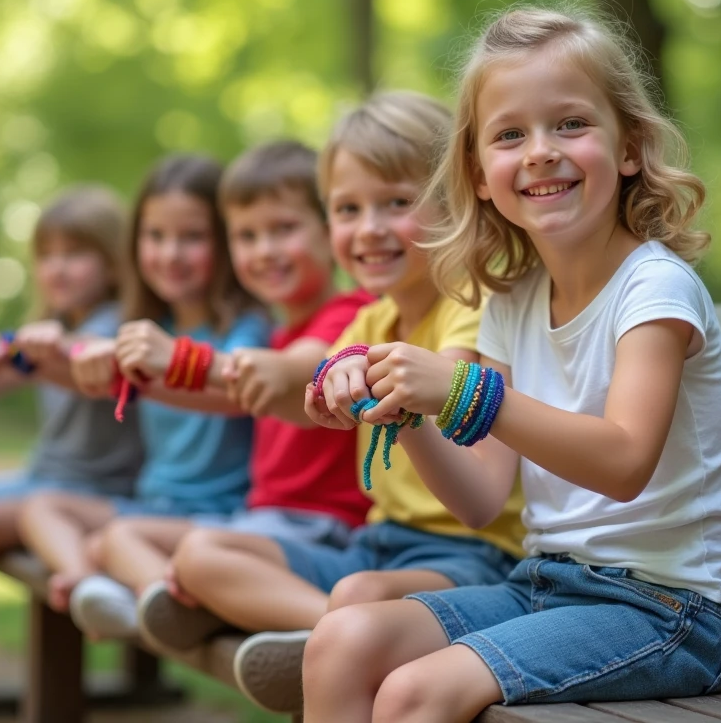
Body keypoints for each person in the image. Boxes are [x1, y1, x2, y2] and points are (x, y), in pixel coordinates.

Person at [299, 3, 721, 722]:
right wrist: (407, 406)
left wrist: (461, 389)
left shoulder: (654, 289)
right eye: (510, 135)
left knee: (417, 691)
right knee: (341, 640)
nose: (541, 150)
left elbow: (624, 461)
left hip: (674, 609)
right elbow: (482, 500)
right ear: (480, 174)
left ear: (629, 146)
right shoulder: (512, 301)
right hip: (545, 584)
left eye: (570, 124)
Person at [172, 92, 525, 713]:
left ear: (452, 202)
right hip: (378, 542)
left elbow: (458, 422)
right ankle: (318, 637)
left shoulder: (472, 309)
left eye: (397, 203)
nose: (369, 228)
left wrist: (381, 389)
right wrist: (310, 390)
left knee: (359, 595)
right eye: (347, 209)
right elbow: (306, 400)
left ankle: (325, 642)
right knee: (201, 553)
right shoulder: (371, 317)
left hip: (474, 557)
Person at [61, 140, 373, 644]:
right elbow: (229, 395)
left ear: (329, 229)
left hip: (323, 528)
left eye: (284, 229)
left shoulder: (351, 314)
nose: (265, 250)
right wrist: (125, 374)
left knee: (194, 553)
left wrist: (177, 359)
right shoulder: (277, 330)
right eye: (247, 236)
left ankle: (342, 632)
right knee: (116, 540)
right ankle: (177, 603)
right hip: (268, 522)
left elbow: (287, 373)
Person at [17, 154, 270, 613]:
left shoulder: (245, 326)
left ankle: (165, 606)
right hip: (151, 507)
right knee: (41, 509)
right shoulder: (148, 324)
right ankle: (91, 587)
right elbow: (86, 370)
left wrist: (155, 363)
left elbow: (240, 384)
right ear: (135, 244)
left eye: (191, 237)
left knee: (114, 540)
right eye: (156, 237)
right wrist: (30, 350)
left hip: (220, 518)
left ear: (226, 243)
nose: (170, 254)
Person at [0, 186, 143, 577]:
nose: (57, 268)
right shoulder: (52, 330)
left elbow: (79, 354)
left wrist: (6, 346)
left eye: (74, 254)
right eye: (47, 256)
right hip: (40, 479)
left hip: (90, 494)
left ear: (114, 264)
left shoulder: (118, 324)